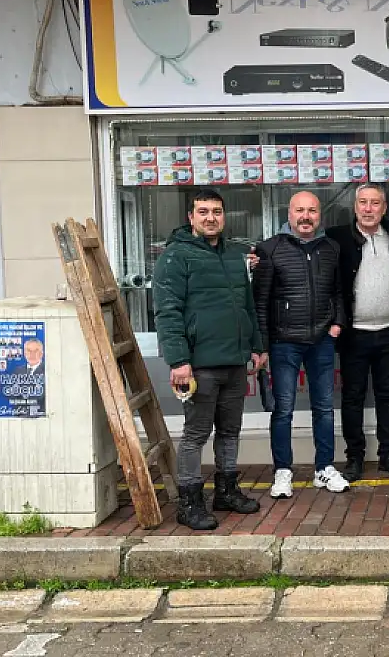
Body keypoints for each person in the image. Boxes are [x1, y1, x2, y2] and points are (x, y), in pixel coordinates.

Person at [153, 188, 265, 530]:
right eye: (203, 212)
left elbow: (247, 306)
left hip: (234, 362)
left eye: (216, 211)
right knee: (196, 434)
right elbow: (167, 313)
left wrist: (256, 346)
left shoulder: (234, 255)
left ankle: (226, 491)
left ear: (224, 216)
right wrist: (178, 361)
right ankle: (189, 503)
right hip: (199, 365)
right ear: (191, 217)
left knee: (230, 431)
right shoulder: (175, 257)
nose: (210, 218)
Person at [253, 191, 349, 499]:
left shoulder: (331, 248)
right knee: (283, 410)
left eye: (312, 211)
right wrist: (263, 345)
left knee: (324, 408)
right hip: (284, 342)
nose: (305, 216)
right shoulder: (270, 249)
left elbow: (338, 291)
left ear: (320, 215)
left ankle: (324, 468)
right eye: (299, 210)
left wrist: (338, 323)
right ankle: (283, 471)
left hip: (322, 340)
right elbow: (260, 301)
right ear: (289, 214)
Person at [326, 184, 389, 482]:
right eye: (362, 202)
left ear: (384, 208)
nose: (368, 209)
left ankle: (388, 455)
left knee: (388, 395)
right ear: (355, 207)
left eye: (375, 203)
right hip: (354, 333)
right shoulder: (337, 237)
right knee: (353, 397)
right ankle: (355, 458)